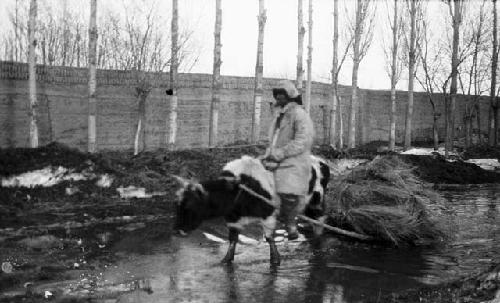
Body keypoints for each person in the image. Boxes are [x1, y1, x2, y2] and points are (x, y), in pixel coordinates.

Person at [261, 80, 314, 240]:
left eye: (282, 97)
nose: (279, 100)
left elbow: (302, 141)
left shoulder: (299, 115)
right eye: (277, 97)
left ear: (291, 98)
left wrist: (280, 154)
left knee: (287, 187)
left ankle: (291, 223)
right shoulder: (278, 116)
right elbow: (274, 139)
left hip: (296, 159)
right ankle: (271, 217)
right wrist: (268, 153)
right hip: (277, 157)